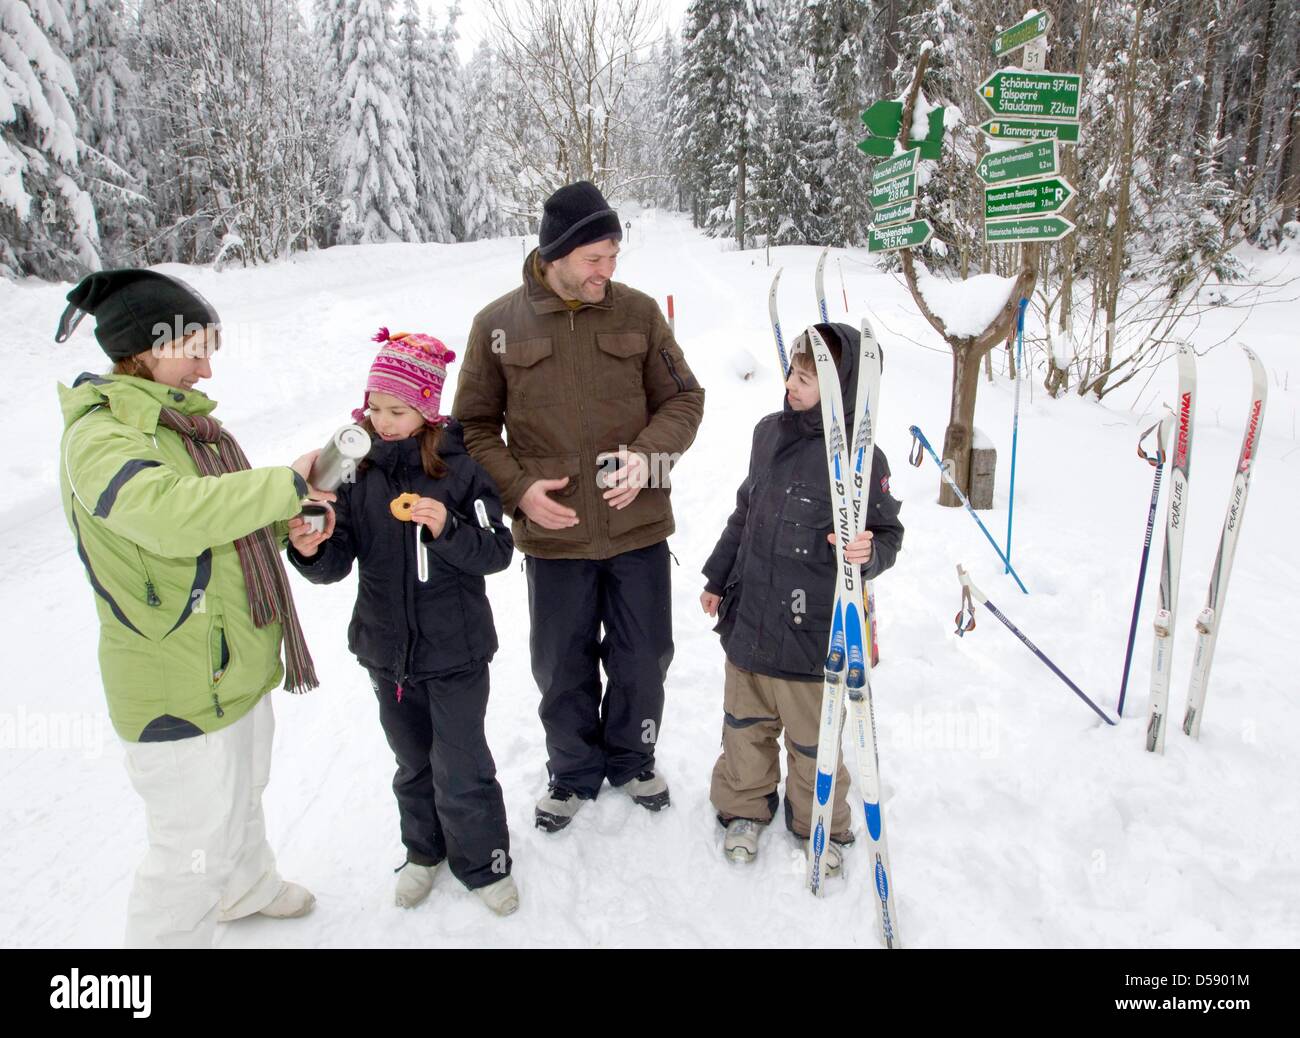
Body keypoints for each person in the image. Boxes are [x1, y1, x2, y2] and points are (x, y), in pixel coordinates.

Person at [55, 269, 329, 947]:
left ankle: (245, 888)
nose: (209, 365)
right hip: (172, 682)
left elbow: (221, 536)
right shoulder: (101, 439)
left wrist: (282, 528)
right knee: (188, 847)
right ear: (148, 349)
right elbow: (176, 518)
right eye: (198, 347)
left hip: (231, 662)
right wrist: (283, 485)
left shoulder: (184, 426)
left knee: (241, 798)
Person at [453, 181, 705, 832]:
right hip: (555, 537)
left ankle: (633, 756)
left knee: (644, 657)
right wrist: (519, 491)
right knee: (560, 664)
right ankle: (571, 770)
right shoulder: (497, 325)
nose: (608, 271)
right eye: (595, 258)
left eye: (614, 256)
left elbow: (683, 399)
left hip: (637, 524)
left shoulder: (640, 314)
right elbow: (474, 428)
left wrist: (649, 456)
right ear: (556, 253)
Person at [288, 329, 518, 915]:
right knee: (412, 761)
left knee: (461, 763)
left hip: (458, 652)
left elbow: (497, 552)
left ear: (428, 408)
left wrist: (449, 530)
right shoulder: (353, 472)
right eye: (374, 408)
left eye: (397, 410)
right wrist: (311, 548)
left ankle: (485, 863)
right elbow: (336, 564)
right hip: (386, 652)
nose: (382, 421)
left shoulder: (462, 469)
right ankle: (423, 851)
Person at [699, 324, 904, 872]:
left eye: (806, 378)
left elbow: (888, 534)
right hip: (751, 620)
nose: (790, 383)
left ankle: (819, 821)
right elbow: (745, 511)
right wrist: (718, 577)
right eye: (792, 371)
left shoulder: (864, 460)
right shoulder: (767, 432)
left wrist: (868, 553)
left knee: (814, 743)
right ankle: (744, 806)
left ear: (842, 389)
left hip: (813, 632)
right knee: (745, 727)